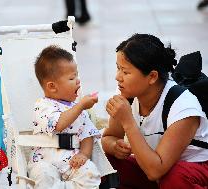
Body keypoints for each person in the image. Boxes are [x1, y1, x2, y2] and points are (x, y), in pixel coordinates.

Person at [101, 33, 208, 188]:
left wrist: (128, 122)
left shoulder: (183, 108)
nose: (118, 77)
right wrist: (114, 147)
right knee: (104, 164)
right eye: (118, 68)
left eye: (125, 72)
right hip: (157, 168)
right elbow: (108, 137)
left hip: (193, 171)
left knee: (174, 176)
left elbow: (155, 171)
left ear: (152, 77)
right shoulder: (129, 95)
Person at [28, 45, 101, 188]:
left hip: (72, 163)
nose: (78, 80)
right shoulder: (43, 106)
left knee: (91, 174)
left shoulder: (80, 110)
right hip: (45, 161)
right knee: (42, 175)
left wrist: (84, 155)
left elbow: (88, 135)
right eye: (72, 77)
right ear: (52, 87)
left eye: (77, 75)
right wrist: (80, 106)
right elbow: (59, 124)